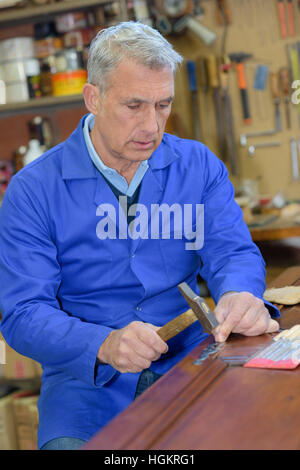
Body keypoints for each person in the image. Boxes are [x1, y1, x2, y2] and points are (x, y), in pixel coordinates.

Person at [0, 22, 279, 451]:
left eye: (162, 105)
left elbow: (233, 252)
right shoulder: (33, 190)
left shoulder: (197, 166)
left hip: (192, 359)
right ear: (93, 98)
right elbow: (22, 313)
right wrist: (103, 344)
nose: (152, 125)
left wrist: (241, 293)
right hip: (87, 386)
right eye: (134, 105)